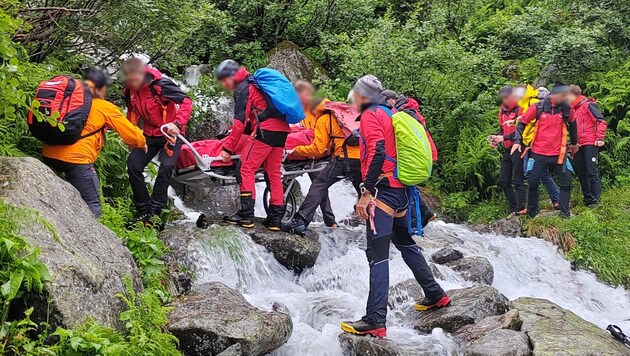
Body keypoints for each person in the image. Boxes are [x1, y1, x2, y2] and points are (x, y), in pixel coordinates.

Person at [340, 75, 450, 338]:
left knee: (377, 257)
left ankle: (375, 319)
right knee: (405, 243)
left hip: (383, 193)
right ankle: (435, 294)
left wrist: (366, 191)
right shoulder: (391, 112)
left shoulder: (370, 115)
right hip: (401, 191)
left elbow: (377, 150)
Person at [43, 68, 146, 217]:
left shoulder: (68, 102)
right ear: (102, 88)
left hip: (48, 154)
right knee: (92, 204)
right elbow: (132, 135)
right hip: (76, 161)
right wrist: (142, 143)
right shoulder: (104, 107)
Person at [215, 59, 290, 230]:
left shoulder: (242, 88)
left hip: (265, 131)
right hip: (282, 131)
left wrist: (227, 148)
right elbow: (252, 118)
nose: (224, 85)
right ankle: (275, 218)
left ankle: (246, 215)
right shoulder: (255, 85)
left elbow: (240, 123)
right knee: (273, 173)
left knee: (245, 169)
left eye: (223, 80)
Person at [123, 58, 193, 224]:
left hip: (170, 134)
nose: (133, 83)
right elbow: (132, 112)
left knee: (167, 166)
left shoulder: (160, 85)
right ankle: (144, 209)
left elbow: (186, 101)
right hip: (149, 134)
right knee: (133, 165)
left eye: (135, 79)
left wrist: (177, 124)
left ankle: (156, 209)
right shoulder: (128, 91)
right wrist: (132, 134)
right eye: (129, 80)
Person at [282, 96, 363, 235]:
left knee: (319, 185)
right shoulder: (349, 117)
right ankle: (383, 225)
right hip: (363, 159)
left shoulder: (325, 119)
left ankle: (301, 221)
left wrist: (296, 150)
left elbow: (318, 149)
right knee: (366, 192)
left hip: (342, 160)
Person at [512, 83, 578, 218]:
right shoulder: (538, 107)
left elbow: (573, 125)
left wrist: (575, 143)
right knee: (533, 182)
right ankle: (532, 212)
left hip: (559, 153)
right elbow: (521, 123)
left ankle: (565, 213)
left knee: (566, 181)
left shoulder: (567, 109)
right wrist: (518, 142)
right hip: (539, 152)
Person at [381, 89, 438, 228]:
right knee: (407, 185)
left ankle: (419, 218)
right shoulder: (407, 109)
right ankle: (420, 216)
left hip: (416, 154)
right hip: (420, 152)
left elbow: (410, 137)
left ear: (391, 100)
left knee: (406, 184)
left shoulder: (406, 112)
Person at [294, 81, 337, 227]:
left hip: (317, 153)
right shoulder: (298, 109)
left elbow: (329, 107)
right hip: (301, 153)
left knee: (319, 185)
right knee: (318, 186)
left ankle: (329, 220)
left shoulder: (317, 106)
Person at [513, 84, 560, 210]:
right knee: (539, 173)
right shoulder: (530, 102)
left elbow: (529, 121)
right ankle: (555, 200)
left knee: (532, 174)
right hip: (533, 141)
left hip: (534, 143)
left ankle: (535, 206)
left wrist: (522, 138)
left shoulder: (533, 103)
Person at [567, 85, 606, 206]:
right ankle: (588, 199)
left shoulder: (588, 105)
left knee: (591, 171)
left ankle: (596, 199)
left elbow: (600, 121)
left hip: (590, 142)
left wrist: (600, 137)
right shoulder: (573, 110)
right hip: (578, 144)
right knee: (581, 172)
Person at [490, 86, 526, 216]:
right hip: (507, 148)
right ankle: (514, 207)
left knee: (517, 179)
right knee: (504, 180)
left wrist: (503, 137)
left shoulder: (520, 108)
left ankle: (521, 208)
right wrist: (496, 138)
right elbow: (502, 129)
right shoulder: (502, 111)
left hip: (518, 146)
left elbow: (520, 131)